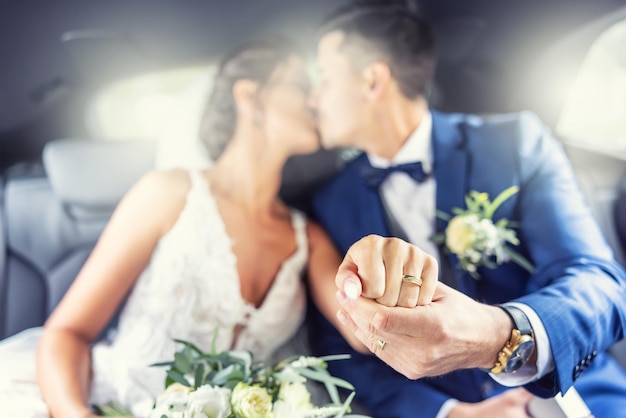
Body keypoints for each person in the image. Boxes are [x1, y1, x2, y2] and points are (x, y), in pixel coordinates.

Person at [0, 35, 434, 417]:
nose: (315, 100)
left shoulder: (309, 238)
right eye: (302, 86)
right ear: (250, 96)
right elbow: (67, 333)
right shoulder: (168, 193)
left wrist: (388, 271)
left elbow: (366, 333)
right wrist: (75, 413)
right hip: (104, 402)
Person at [306, 1, 626, 417]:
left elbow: (601, 285)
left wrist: (500, 335)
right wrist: (449, 412)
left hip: (575, 396)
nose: (313, 98)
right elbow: (345, 352)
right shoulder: (331, 203)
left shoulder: (514, 143)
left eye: (324, 79)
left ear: (372, 80)